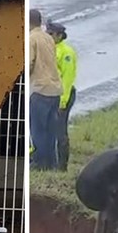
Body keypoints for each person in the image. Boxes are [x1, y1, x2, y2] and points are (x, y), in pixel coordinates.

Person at [29, 9, 62, 170]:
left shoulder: (32, 39)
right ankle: (52, 163)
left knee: (38, 130)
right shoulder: (49, 38)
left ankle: (40, 163)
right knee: (50, 130)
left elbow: (29, 63)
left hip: (40, 90)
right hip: (55, 90)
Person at [47, 22, 77, 171]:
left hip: (63, 96)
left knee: (60, 131)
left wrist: (63, 102)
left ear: (59, 35)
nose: (49, 36)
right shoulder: (49, 49)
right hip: (49, 95)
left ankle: (62, 165)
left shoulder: (66, 53)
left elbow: (67, 79)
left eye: (51, 34)